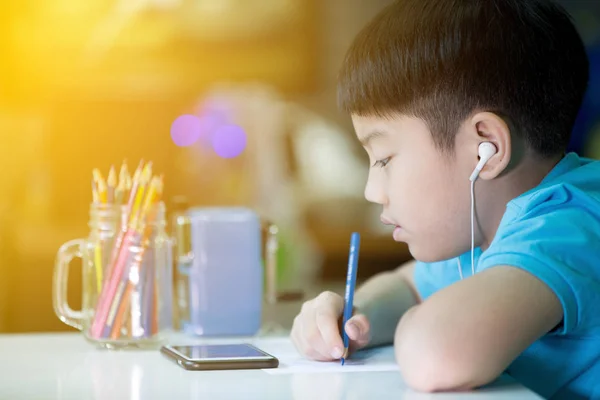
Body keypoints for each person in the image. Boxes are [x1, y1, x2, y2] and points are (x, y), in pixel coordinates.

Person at [290, 0, 600, 398]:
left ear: (483, 148)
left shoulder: (571, 226)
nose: (371, 190)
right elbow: (408, 285)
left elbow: (436, 356)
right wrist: (351, 315)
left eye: (384, 158)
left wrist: (417, 324)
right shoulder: (485, 229)